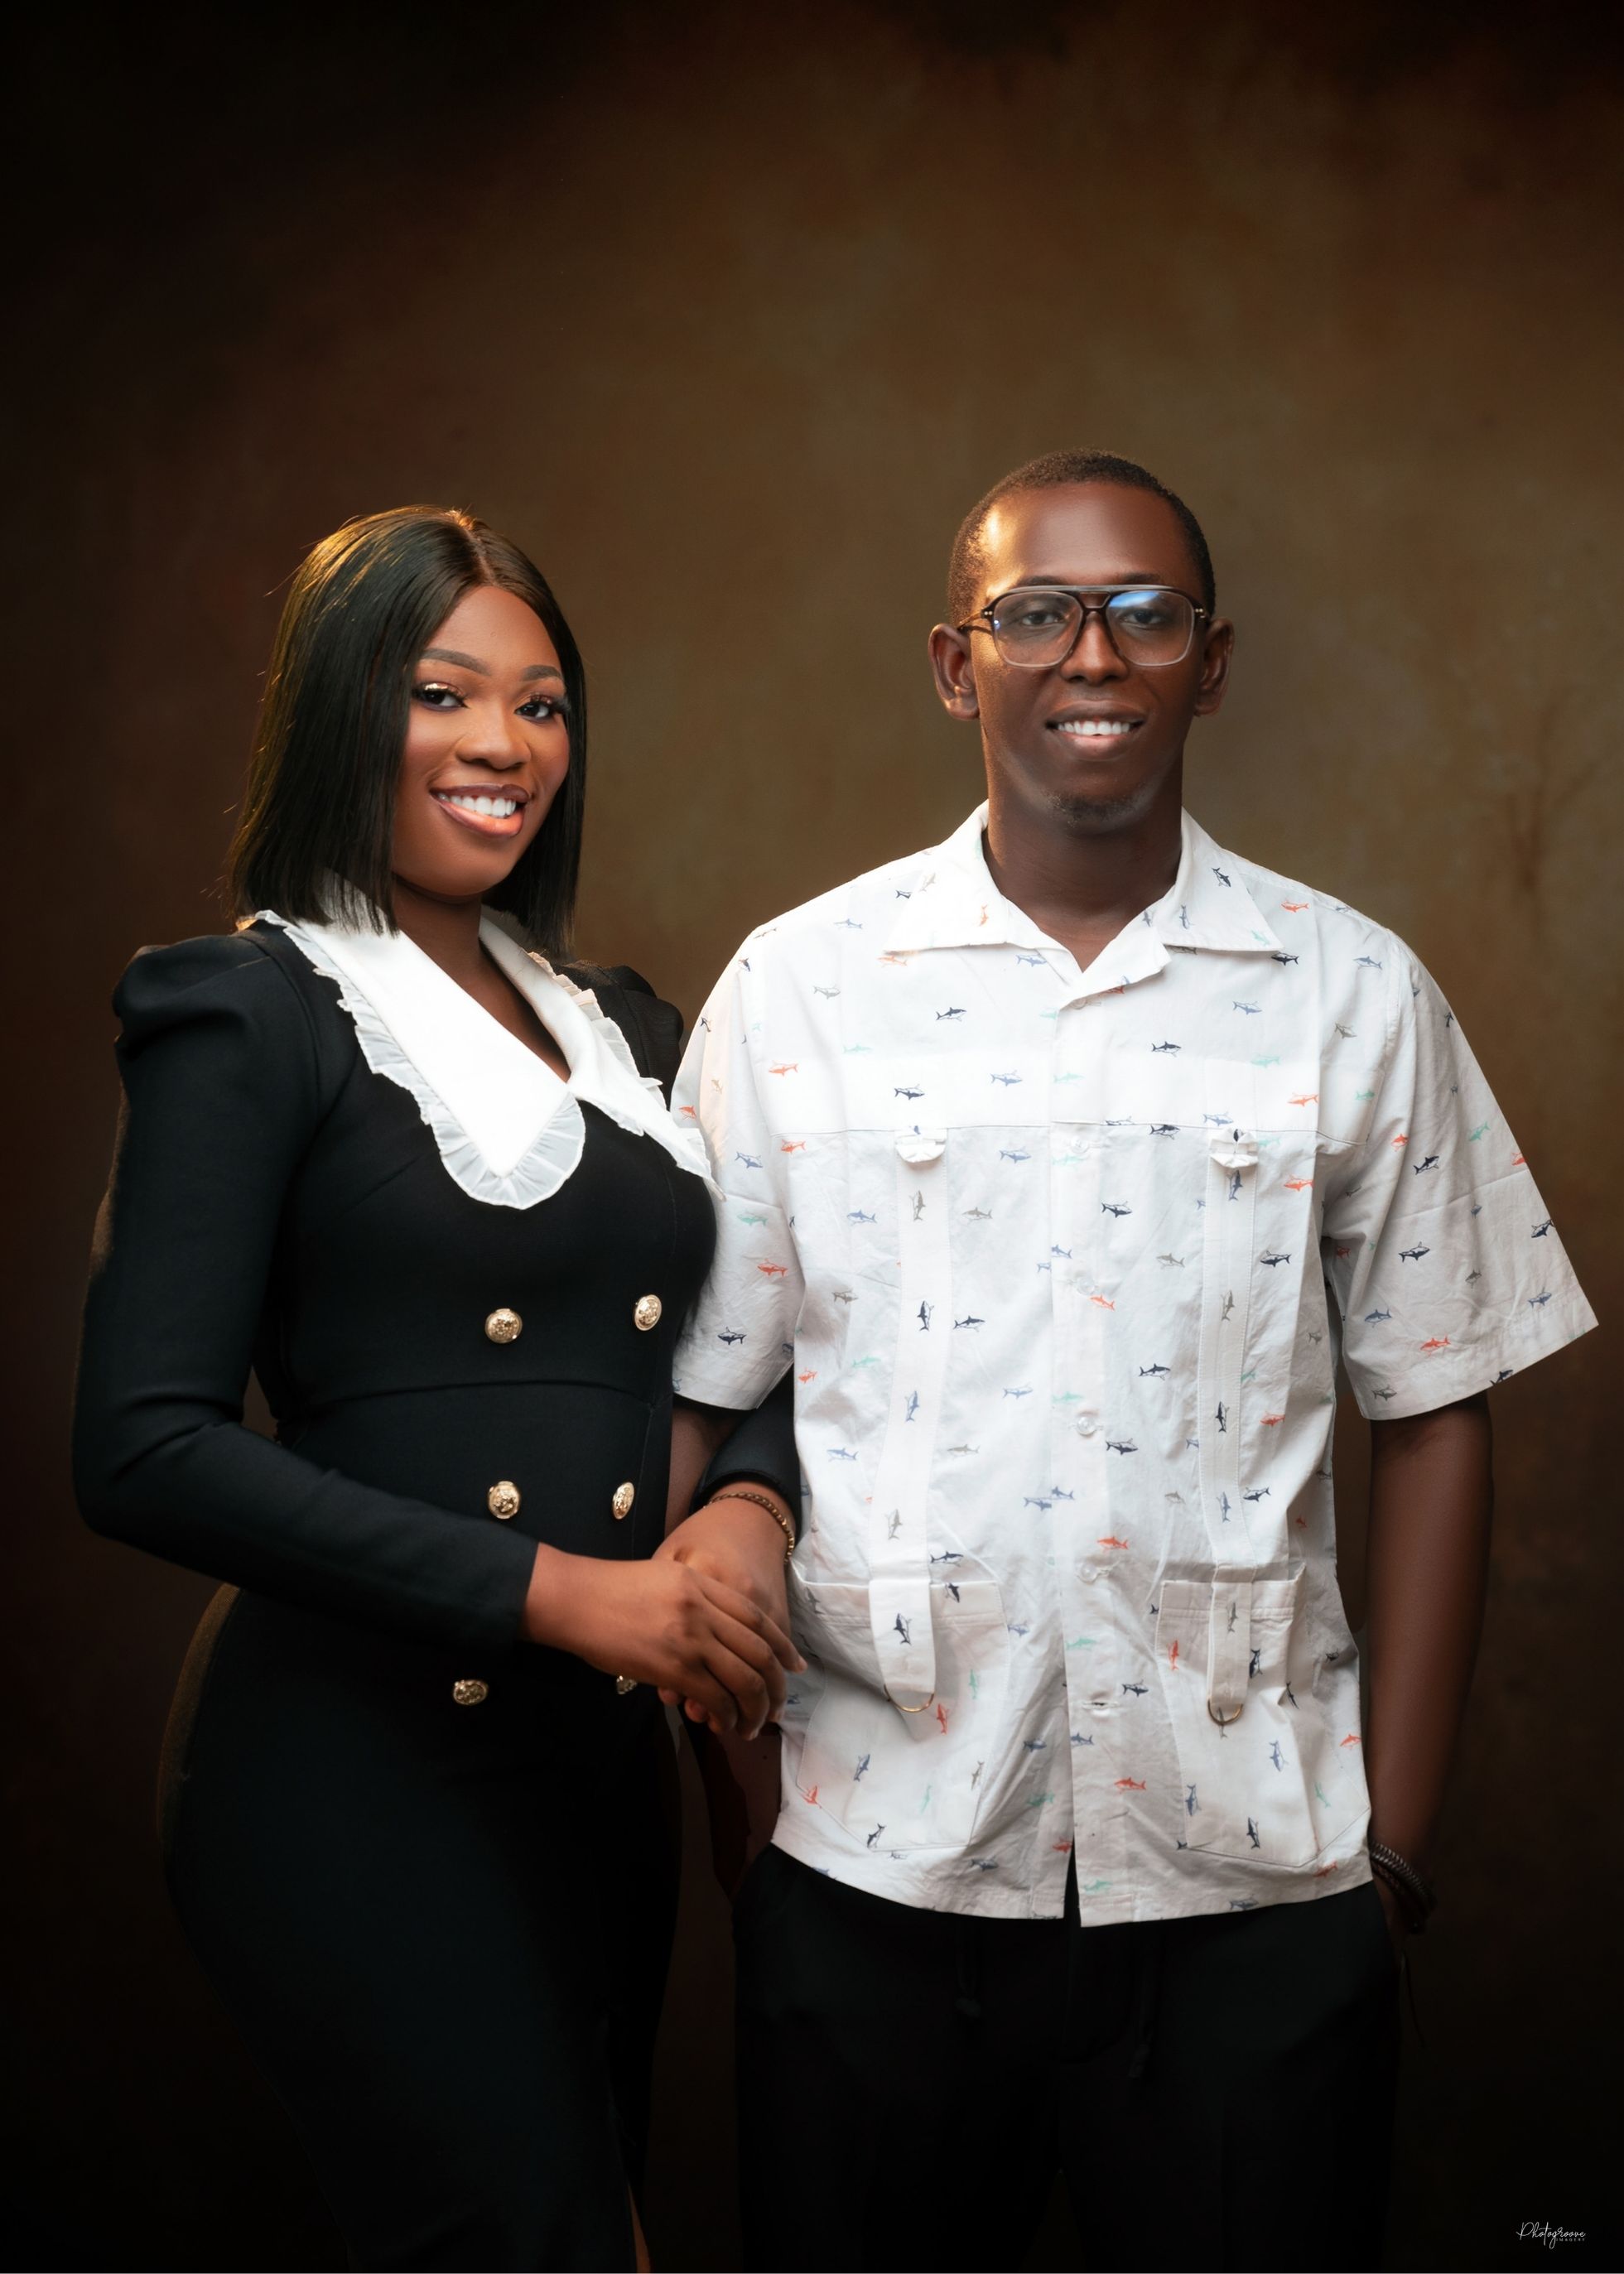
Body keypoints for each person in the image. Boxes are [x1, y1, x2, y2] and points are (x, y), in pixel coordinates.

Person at [667, 451, 1597, 2273]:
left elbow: (1437, 1407)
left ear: (1211, 663)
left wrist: (1391, 1854)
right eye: (1037, 612)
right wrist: (753, 1845)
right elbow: (707, 1409)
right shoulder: (799, 991)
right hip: (870, 1866)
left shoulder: (1351, 990)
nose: (1092, 653)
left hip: (1260, 1878)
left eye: (1145, 613)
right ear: (957, 664)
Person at [72, 505, 804, 2273]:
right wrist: (564, 1593)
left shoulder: (624, 1026)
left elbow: (764, 1334)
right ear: (342, 708)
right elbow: (140, 1447)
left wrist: (748, 1503)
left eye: (541, 705)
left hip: (596, 1770)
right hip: (354, 1767)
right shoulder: (248, 1009)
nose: (503, 743)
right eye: (442, 692)